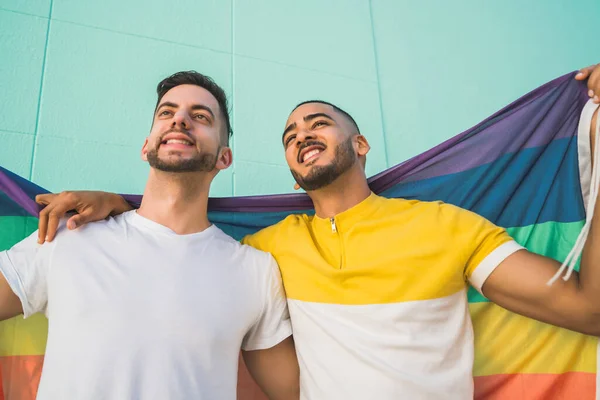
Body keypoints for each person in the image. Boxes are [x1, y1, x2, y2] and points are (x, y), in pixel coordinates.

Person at [34, 64, 600, 399]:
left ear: (360, 145)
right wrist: (120, 203)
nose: (301, 134)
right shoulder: (268, 248)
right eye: (289, 134)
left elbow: (587, 308)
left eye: (318, 123)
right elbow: (176, 226)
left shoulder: (446, 225)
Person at [0, 71, 299, 400]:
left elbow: (298, 393)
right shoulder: (66, 235)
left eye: (200, 116)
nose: (180, 120)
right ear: (146, 146)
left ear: (223, 157)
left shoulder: (256, 271)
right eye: (166, 113)